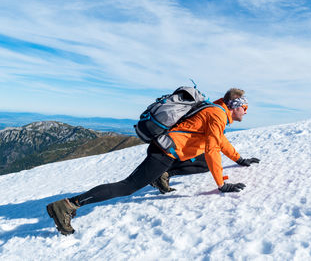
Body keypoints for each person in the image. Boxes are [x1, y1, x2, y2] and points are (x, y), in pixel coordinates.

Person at [46, 88, 260, 235]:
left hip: (169, 151)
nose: (246, 111)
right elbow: (213, 148)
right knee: (128, 186)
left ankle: (162, 176)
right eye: (245, 107)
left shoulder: (217, 112)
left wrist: (239, 159)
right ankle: (68, 205)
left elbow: (220, 142)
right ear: (234, 105)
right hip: (164, 152)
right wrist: (221, 183)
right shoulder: (217, 115)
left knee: (204, 164)